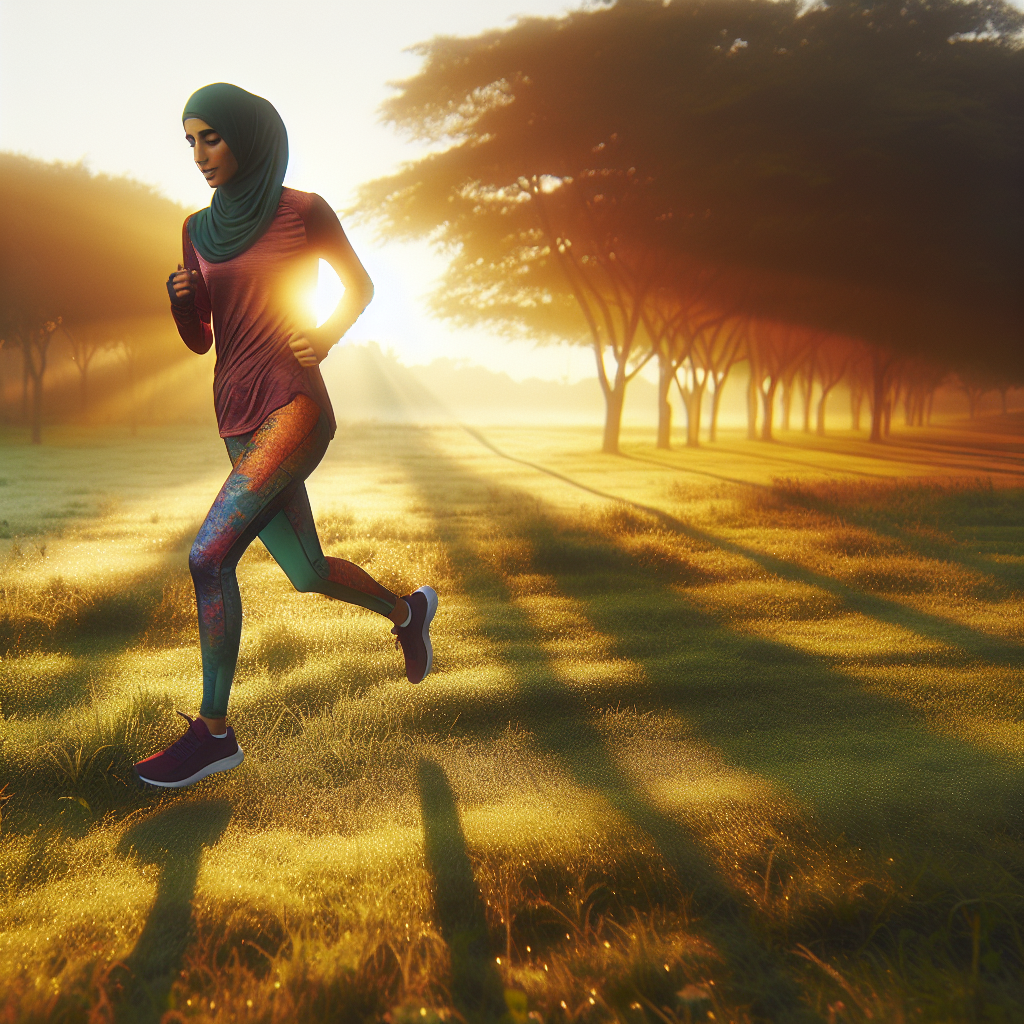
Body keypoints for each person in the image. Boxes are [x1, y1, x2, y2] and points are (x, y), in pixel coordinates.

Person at [134, 83, 437, 790]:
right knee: (306, 572)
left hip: (295, 405)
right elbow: (201, 340)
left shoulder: (303, 210)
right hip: (236, 414)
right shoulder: (195, 228)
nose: (201, 155)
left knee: (209, 557)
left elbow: (358, 285)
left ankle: (214, 734)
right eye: (190, 141)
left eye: (212, 137)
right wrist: (182, 308)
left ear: (249, 135)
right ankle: (407, 611)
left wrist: (323, 337)